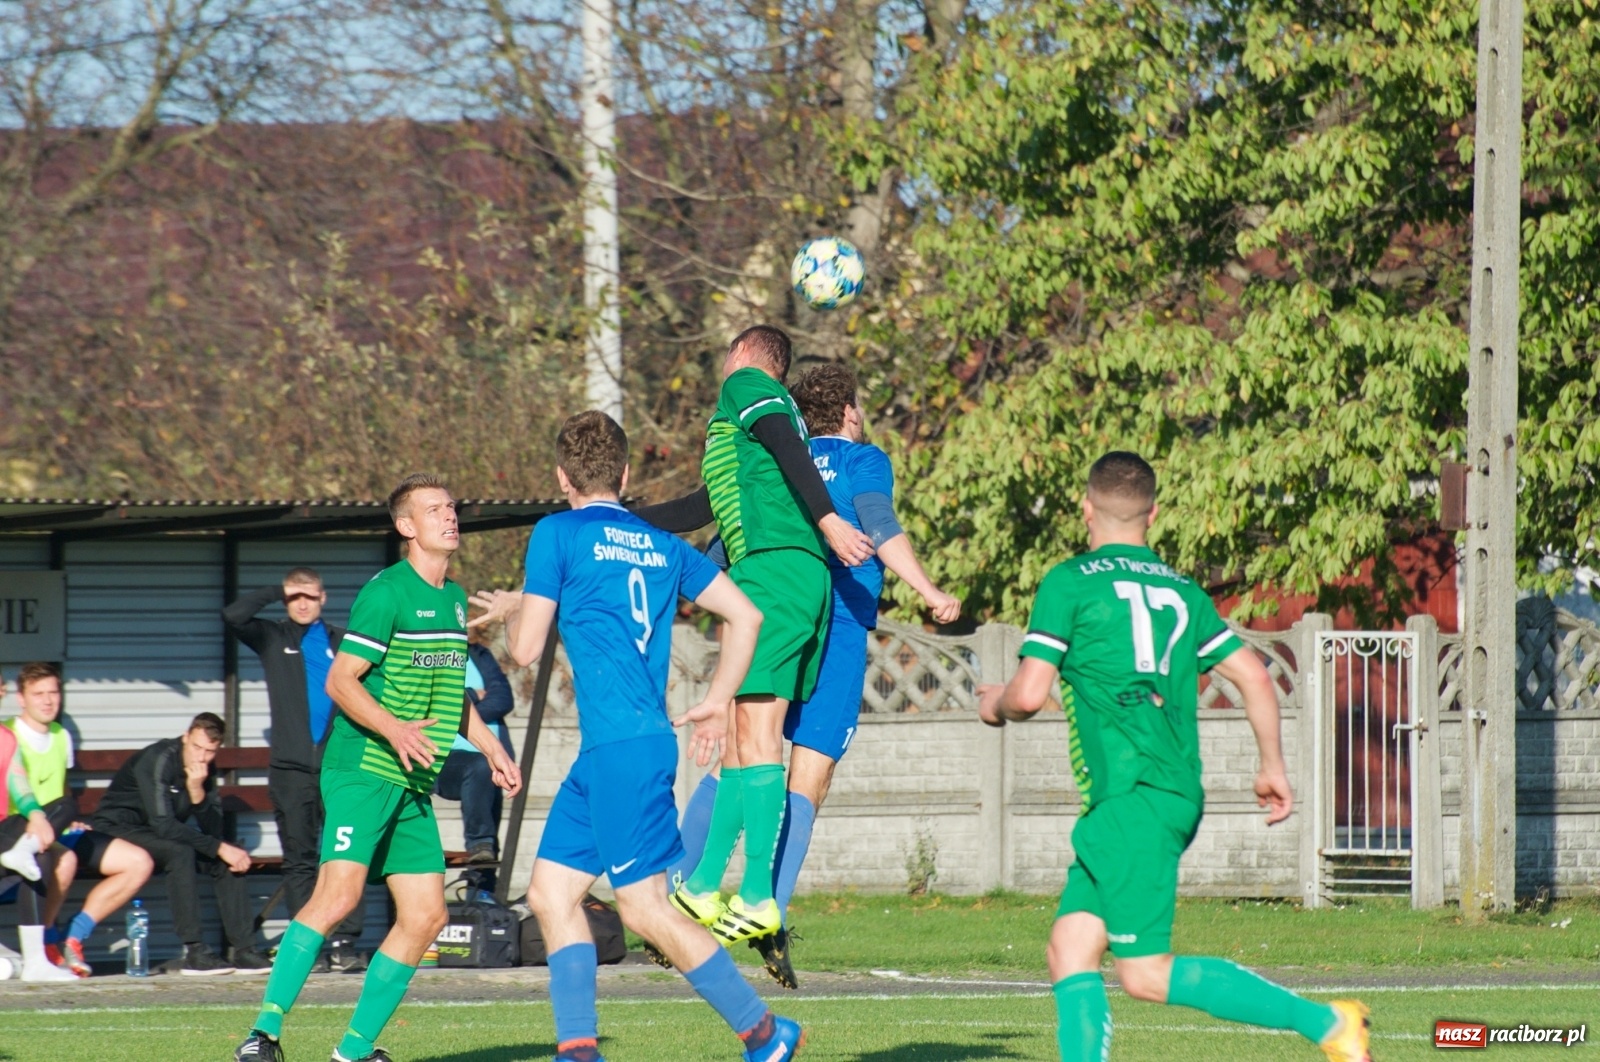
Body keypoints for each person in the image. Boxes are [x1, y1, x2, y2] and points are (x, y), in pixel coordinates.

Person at [975, 452, 1372, 1062]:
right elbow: (1256, 678)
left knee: (1145, 974)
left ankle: (1326, 1023)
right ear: (1152, 514)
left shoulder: (1070, 581)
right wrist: (1271, 767)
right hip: (1164, 793)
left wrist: (993, 703)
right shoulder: (1184, 592)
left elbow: (1029, 696)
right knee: (1069, 947)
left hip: (1134, 797)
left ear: (1086, 507)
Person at [469, 410, 804, 1062]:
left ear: (562, 477)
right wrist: (714, 697)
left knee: (646, 908)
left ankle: (763, 1034)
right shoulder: (661, 543)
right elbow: (747, 614)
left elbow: (527, 648)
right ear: (624, 474)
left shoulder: (556, 532)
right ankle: (579, 1052)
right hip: (614, 749)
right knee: (550, 893)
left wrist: (522, 608)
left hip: (623, 747)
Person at [671, 363, 963, 988]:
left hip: (770, 609)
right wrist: (928, 589)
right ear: (851, 413)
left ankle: (679, 894)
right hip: (837, 627)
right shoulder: (862, 459)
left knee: (744, 756)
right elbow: (879, 526)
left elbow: (724, 546)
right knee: (808, 776)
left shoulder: (779, 460)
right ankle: (764, 907)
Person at [234, 473, 522, 1062]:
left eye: (452, 507)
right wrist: (393, 729)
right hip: (364, 768)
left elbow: (452, 696)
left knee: (426, 913)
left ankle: (355, 1048)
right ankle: (262, 1034)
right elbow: (342, 681)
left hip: (411, 781)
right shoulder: (386, 593)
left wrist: (493, 749)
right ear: (406, 527)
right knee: (337, 895)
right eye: (435, 509)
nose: (450, 516)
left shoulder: (453, 598)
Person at [636, 325, 874, 947]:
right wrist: (615, 518)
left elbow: (783, 445)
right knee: (746, 737)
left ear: (743, 354)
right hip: (779, 576)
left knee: (760, 735)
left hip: (776, 572)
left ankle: (760, 896)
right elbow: (699, 508)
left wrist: (827, 518)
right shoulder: (748, 436)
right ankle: (707, 883)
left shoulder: (749, 386)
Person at [223, 568, 365, 972]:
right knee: (300, 859)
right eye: (294, 597)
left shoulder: (342, 641)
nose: (303, 603)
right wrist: (275, 590)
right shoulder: (273, 637)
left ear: (324, 598)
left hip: (339, 768)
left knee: (346, 854)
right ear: (286, 600)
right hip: (290, 771)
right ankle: (311, 946)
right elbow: (233, 616)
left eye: (310, 596)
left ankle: (346, 942)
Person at [4, 662, 154, 978]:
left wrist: (67, 821)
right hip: (23, 831)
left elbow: (61, 790)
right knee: (65, 859)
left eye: (53, 692)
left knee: (138, 862)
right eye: (38, 694)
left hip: (57, 825)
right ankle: (46, 944)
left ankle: (74, 936)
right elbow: (17, 788)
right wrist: (41, 820)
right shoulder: (9, 734)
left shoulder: (61, 735)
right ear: (21, 698)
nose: (47, 700)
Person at [89, 711, 264, 974]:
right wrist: (217, 846)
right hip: (118, 830)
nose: (201, 757)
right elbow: (164, 824)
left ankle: (244, 950)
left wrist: (196, 791)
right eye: (196, 747)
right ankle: (195, 951)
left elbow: (213, 828)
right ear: (185, 737)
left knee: (228, 858)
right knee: (180, 852)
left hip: (156, 835)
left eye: (209, 751)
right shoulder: (159, 758)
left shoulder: (205, 768)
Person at [0, 702, 76, 982]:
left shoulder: (5, 738)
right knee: (38, 848)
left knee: (60, 815)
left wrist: (36, 816)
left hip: (4, 834)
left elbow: (19, 784)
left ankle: (35, 963)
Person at [433, 639, 516, 881]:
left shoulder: (478, 654)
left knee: (489, 846)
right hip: (444, 758)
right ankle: (478, 842)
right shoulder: (429, 653)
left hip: (492, 760)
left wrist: (463, 716)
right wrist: (470, 696)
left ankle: (483, 900)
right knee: (479, 765)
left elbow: (503, 697)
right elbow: (432, 703)